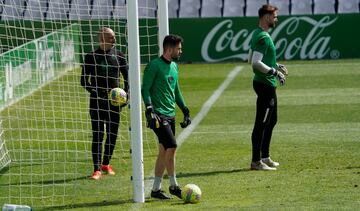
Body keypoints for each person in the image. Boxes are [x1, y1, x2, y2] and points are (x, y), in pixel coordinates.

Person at [141, 34, 191, 199]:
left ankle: (155, 190)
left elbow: (176, 91)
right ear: (169, 49)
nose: (180, 51)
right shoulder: (154, 65)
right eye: (179, 48)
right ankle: (174, 185)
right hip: (158, 115)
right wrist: (149, 109)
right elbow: (145, 88)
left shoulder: (175, 67)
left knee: (164, 150)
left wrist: (185, 110)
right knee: (172, 145)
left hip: (170, 115)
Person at [81, 27, 129, 180]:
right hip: (96, 102)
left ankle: (106, 164)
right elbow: (84, 81)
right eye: (111, 37)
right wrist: (96, 93)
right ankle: (96, 169)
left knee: (112, 134)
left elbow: (127, 79)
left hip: (114, 103)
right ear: (102, 39)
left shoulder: (120, 56)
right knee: (98, 134)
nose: (114, 39)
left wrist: (125, 96)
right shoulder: (91, 57)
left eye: (114, 37)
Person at [249, 5, 288, 171]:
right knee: (261, 123)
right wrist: (274, 72)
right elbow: (255, 62)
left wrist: (275, 65)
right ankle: (256, 161)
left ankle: (265, 157)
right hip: (265, 84)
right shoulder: (263, 37)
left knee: (272, 120)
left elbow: (253, 57)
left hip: (266, 83)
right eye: (274, 16)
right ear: (266, 17)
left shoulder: (259, 34)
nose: (276, 19)